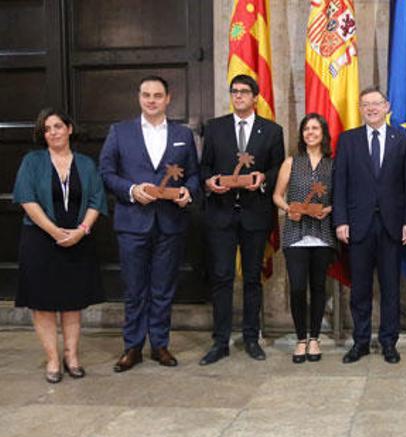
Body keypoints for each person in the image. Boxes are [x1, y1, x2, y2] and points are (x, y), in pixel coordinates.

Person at [99, 75, 200, 372]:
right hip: (133, 223)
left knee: (163, 288)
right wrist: (130, 191)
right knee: (134, 289)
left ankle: (160, 345)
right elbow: (105, 172)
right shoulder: (120, 132)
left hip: (170, 223)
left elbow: (193, 175)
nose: (152, 100)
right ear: (139, 97)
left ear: (168, 98)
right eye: (146, 95)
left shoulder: (183, 133)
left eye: (157, 95)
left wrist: (187, 191)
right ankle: (132, 347)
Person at [12, 108, 107, 383]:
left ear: (69, 129)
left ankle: (72, 356)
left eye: (57, 126)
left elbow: (97, 200)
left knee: (72, 303)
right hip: (40, 241)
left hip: (78, 240)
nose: (52, 132)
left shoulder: (87, 164)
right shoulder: (32, 161)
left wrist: (81, 230)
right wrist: (55, 232)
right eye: (46, 129)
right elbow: (27, 199)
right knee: (42, 304)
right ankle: (53, 360)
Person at [198, 74, 285, 366]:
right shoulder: (215, 128)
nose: (238, 96)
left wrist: (263, 179)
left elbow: (277, 169)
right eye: (234, 91)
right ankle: (220, 341)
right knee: (222, 277)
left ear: (256, 96)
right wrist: (210, 182)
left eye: (244, 92)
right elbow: (204, 167)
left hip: (254, 215)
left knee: (251, 278)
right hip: (221, 214)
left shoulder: (271, 131)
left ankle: (251, 337)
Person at [333, 87, 406, 364]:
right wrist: (341, 220)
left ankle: (389, 342)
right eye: (366, 104)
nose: (371, 108)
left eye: (376, 104)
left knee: (391, 288)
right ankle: (360, 342)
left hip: (393, 226)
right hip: (358, 226)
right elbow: (340, 184)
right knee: (360, 289)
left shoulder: (402, 139)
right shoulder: (348, 140)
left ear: (387, 107)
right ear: (360, 109)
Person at [273, 114, 335, 363]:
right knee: (298, 287)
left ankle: (315, 339)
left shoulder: (333, 163)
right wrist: (290, 209)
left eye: (315, 128)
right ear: (301, 134)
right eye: (306, 129)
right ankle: (300, 339)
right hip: (295, 234)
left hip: (322, 234)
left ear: (323, 133)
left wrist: (328, 210)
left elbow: (338, 197)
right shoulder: (291, 162)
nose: (310, 132)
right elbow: (277, 195)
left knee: (319, 287)